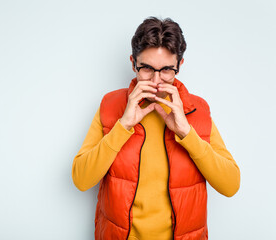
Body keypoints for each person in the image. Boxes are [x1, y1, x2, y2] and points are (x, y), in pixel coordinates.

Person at [72, 17, 240, 240]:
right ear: (133, 63)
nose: (157, 81)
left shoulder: (197, 109)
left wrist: (186, 134)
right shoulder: (110, 105)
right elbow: (81, 180)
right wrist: (123, 126)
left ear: (180, 65)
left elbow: (230, 185)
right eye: (147, 69)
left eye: (167, 70)